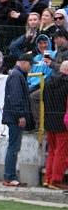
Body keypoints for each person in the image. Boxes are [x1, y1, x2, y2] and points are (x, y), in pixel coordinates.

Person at [2, 54, 34, 187]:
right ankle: (9, 176)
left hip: (12, 116)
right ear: (24, 63)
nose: (30, 67)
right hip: (14, 117)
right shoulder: (16, 76)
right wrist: (20, 115)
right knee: (14, 146)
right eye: (30, 64)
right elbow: (16, 98)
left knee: (14, 146)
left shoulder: (16, 74)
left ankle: (10, 176)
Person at [42, 60, 68, 190]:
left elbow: (42, 99)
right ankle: (56, 180)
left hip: (48, 120)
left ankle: (48, 178)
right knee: (61, 152)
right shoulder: (66, 83)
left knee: (52, 151)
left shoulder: (48, 81)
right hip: (62, 122)